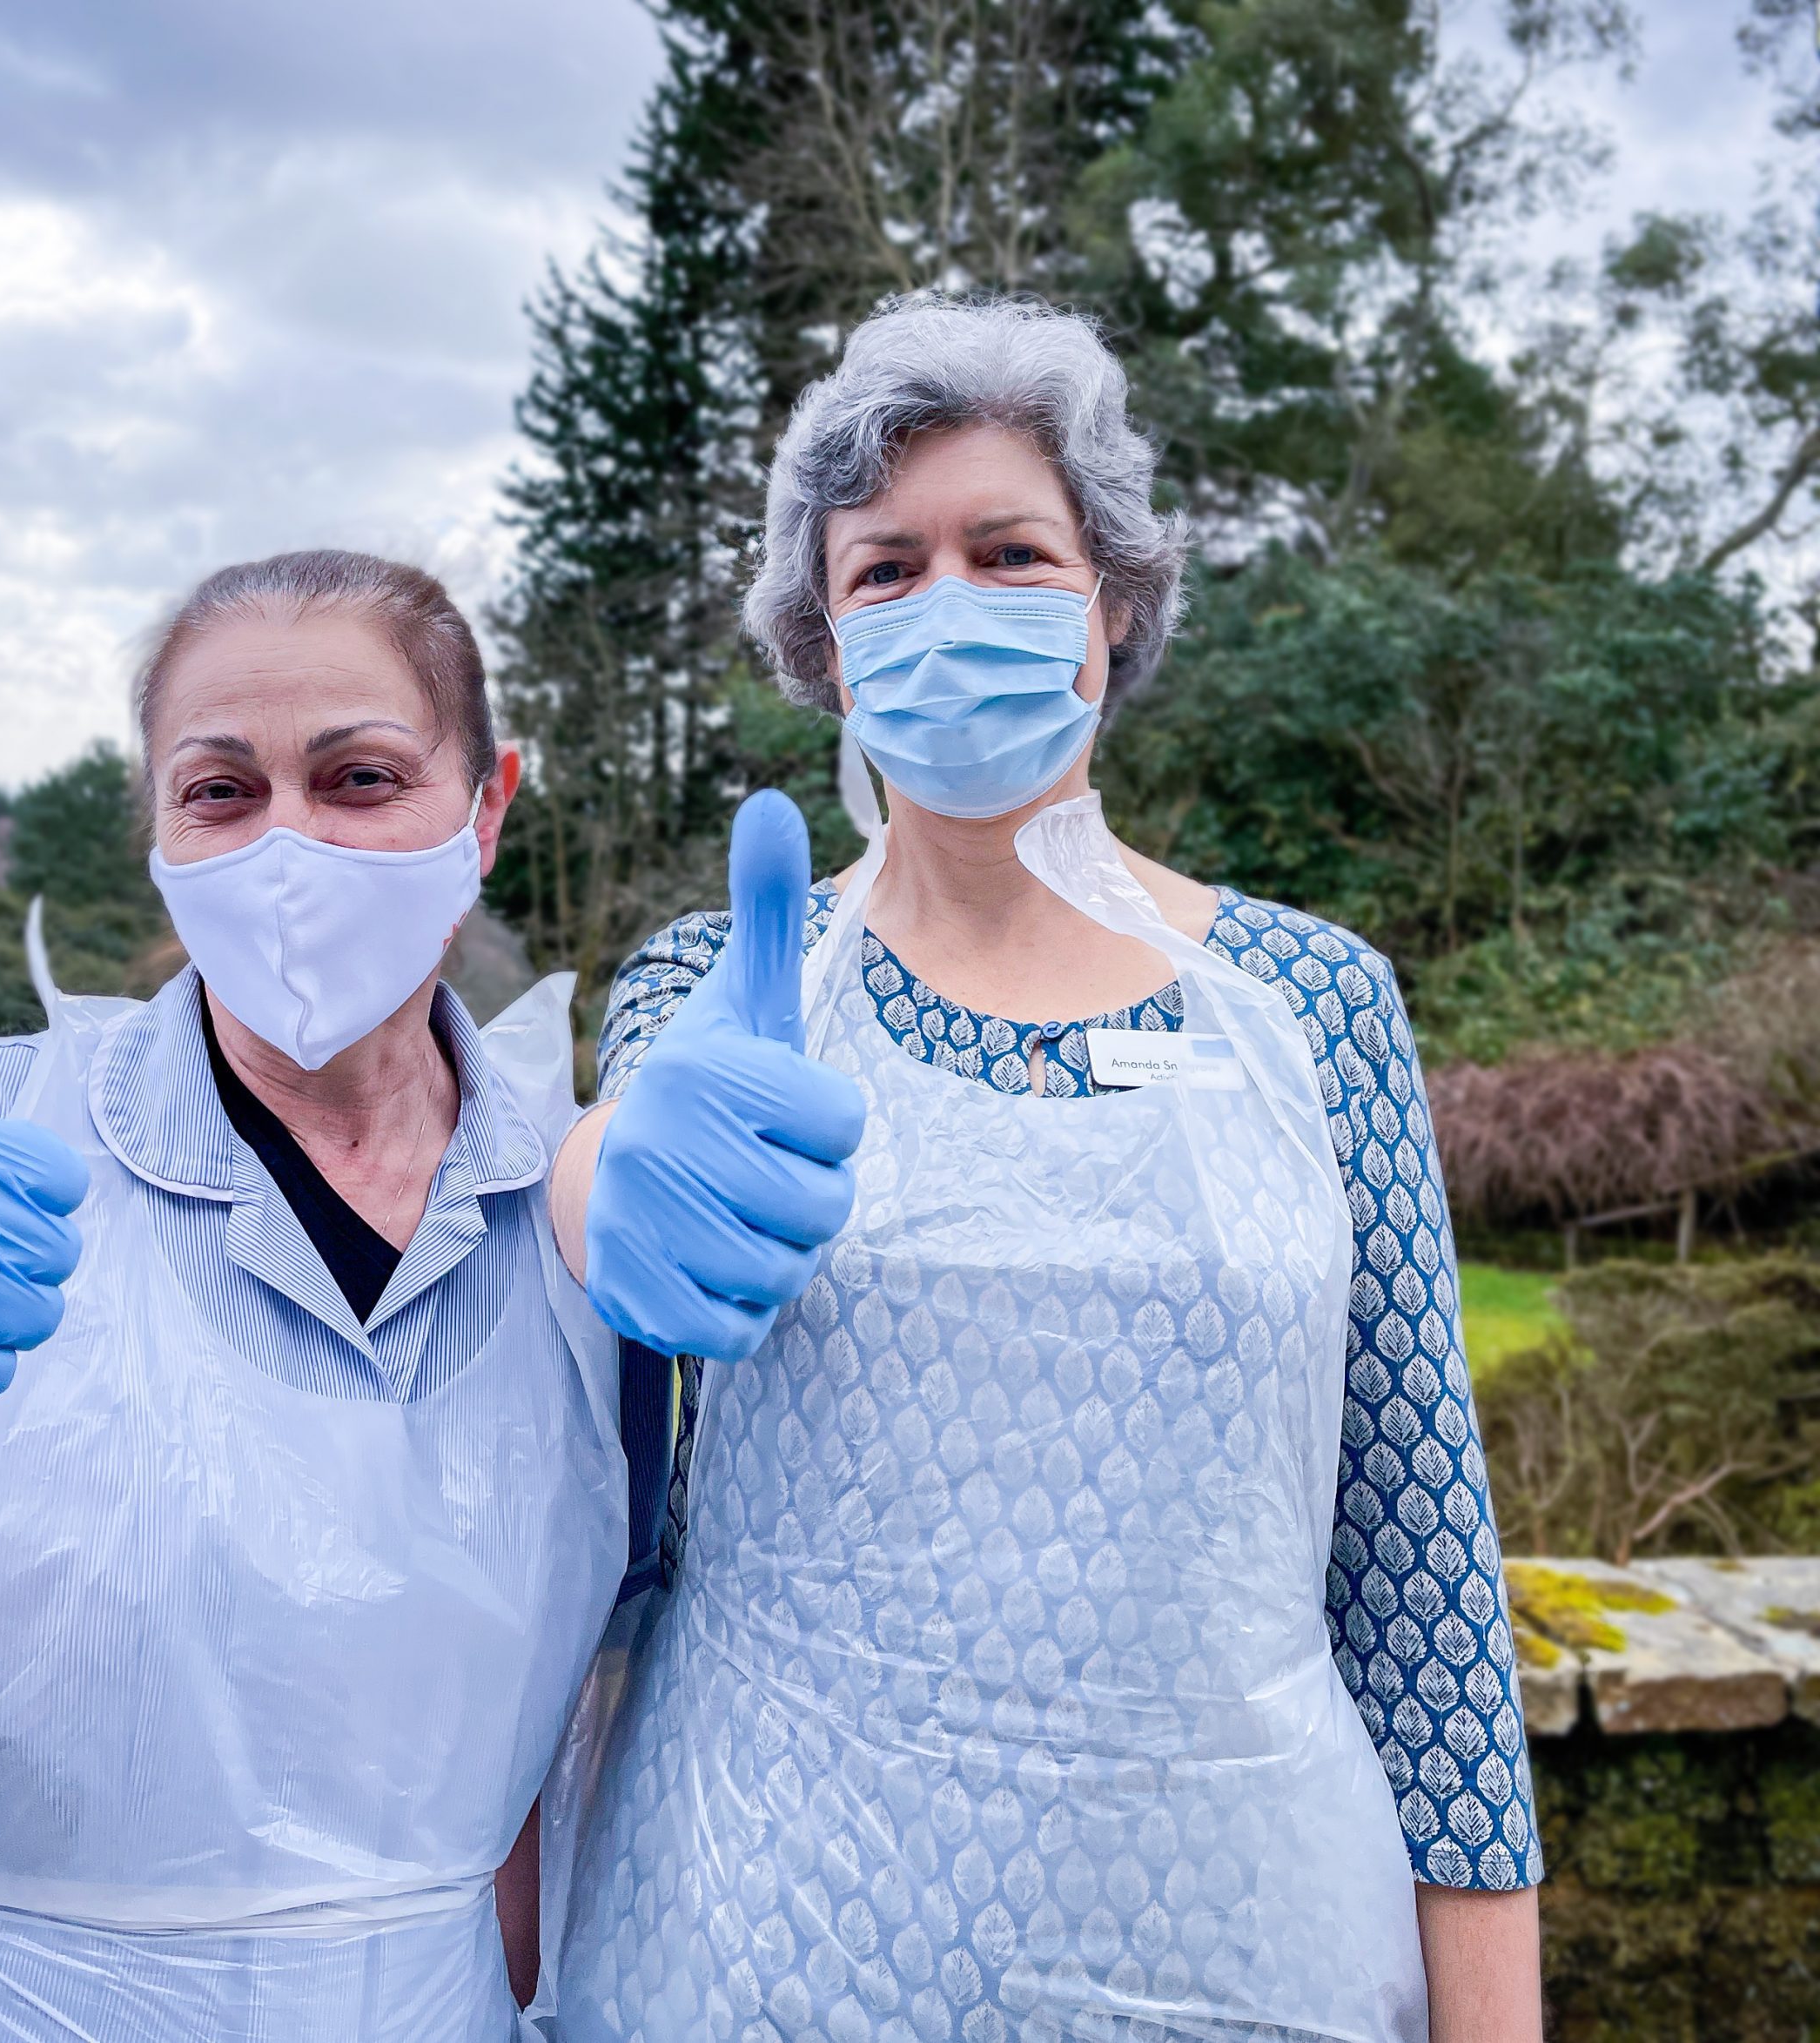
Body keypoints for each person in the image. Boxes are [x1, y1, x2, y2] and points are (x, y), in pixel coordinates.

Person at [545, 299, 1543, 2041]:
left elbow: (1420, 1582)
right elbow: (610, 1178)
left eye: (1007, 552)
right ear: (823, 644)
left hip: (1244, 1961)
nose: (946, 607)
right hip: (755, 1957)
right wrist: (607, 1177)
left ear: (1111, 604)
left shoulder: (1308, 1008)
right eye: (883, 571)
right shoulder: (722, 998)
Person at [0, 550, 627, 2042]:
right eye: (219, 791)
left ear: (487, 808)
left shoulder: (585, 1222)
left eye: (361, 778)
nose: (287, 843)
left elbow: (537, 1784)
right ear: (159, 831)